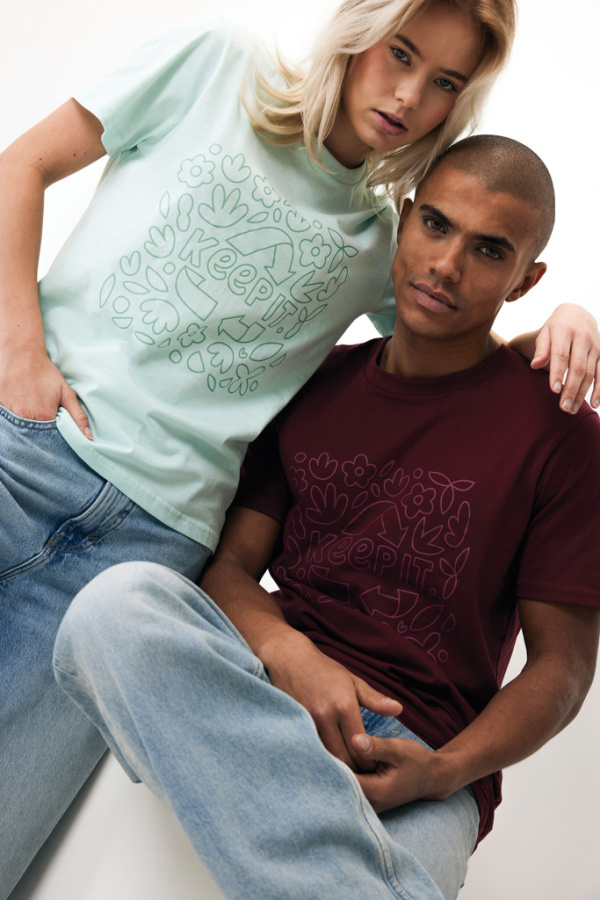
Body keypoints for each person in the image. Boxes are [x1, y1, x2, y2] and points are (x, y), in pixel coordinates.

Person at [1, 0, 599, 892]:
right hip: (32, 449)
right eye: (400, 53)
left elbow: (453, 345)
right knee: (118, 619)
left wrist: (563, 324)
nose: (409, 96)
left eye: (444, 81)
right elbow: (24, 162)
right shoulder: (220, 62)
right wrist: (20, 358)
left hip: (169, 552)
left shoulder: (384, 247)